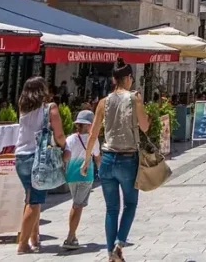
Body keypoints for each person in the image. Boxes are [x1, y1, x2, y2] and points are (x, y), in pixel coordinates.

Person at [81, 59, 150, 262]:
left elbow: (93, 133)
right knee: (130, 204)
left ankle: (110, 253)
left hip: (107, 159)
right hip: (128, 159)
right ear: (128, 78)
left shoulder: (103, 102)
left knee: (111, 208)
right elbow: (145, 127)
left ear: (113, 79)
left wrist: (87, 161)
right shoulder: (135, 98)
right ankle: (120, 244)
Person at [14, 77, 67, 255]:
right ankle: (22, 244)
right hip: (38, 158)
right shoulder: (50, 108)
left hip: (21, 156)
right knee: (35, 201)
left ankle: (34, 238)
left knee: (30, 197)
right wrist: (64, 147)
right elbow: (58, 134)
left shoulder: (23, 109)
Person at [63, 110, 100, 251]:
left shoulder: (71, 138)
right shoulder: (93, 139)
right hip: (86, 175)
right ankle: (70, 237)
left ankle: (73, 236)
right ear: (90, 125)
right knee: (77, 206)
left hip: (71, 176)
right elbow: (97, 156)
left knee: (76, 203)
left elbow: (66, 156)